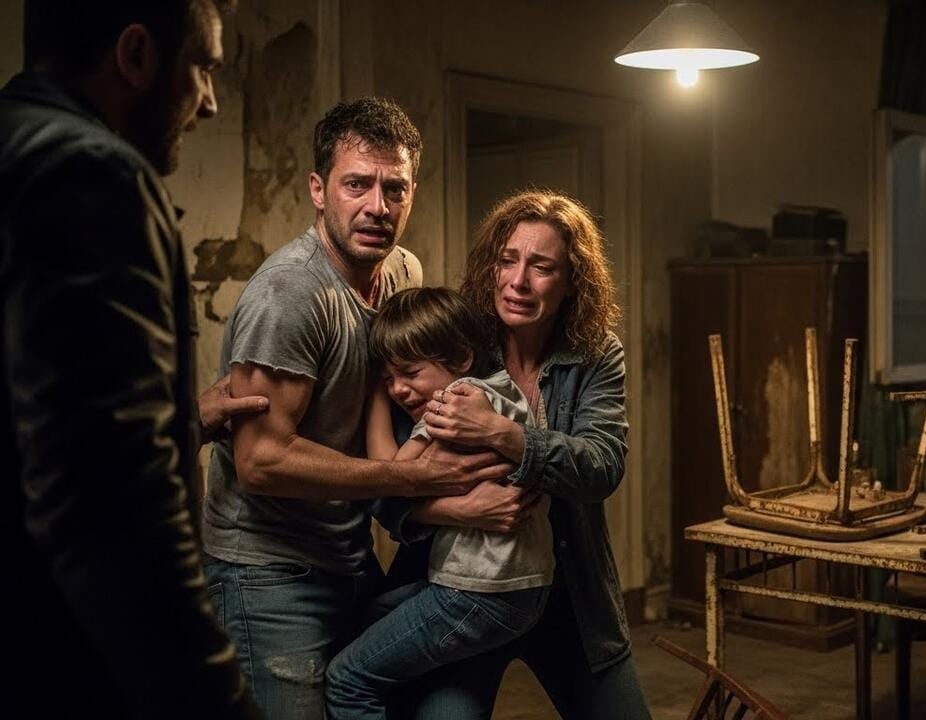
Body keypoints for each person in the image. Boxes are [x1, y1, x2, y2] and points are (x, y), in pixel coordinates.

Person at [201, 96, 515, 717]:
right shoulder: (290, 294)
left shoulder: (401, 273)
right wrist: (413, 479)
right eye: (357, 184)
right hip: (268, 574)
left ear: (412, 193)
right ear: (319, 191)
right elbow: (260, 462)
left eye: (394, 188)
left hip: (349, 555)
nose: (378, 206)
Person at [2, 1, 263, 717]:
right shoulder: (89, 172)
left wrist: (180, 419)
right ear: (137, 54)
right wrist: (216, 699)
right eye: (203, 68)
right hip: (56, 664)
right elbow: (112, 508)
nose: (209, 103)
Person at [396, 190, 651, 719]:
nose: (518, 281)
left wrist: (500, 432)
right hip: (465, 592)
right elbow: (390, 484)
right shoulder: (455, 342)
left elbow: (602, 466)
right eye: (507, 260)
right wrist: (461, 510)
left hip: (569, 595)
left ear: (572, 280)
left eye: (542, 267)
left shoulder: (597, 353)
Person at [325, 287, 552, 719]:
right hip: (513, 587)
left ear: (462, 358)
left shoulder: (460, 401)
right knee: (372, 615)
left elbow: (393, 474)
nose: (399, 389)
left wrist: (374, 392)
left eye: (410, 372)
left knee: (346, 680)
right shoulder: (499, 389)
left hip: (480, 593)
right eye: (388, 379)